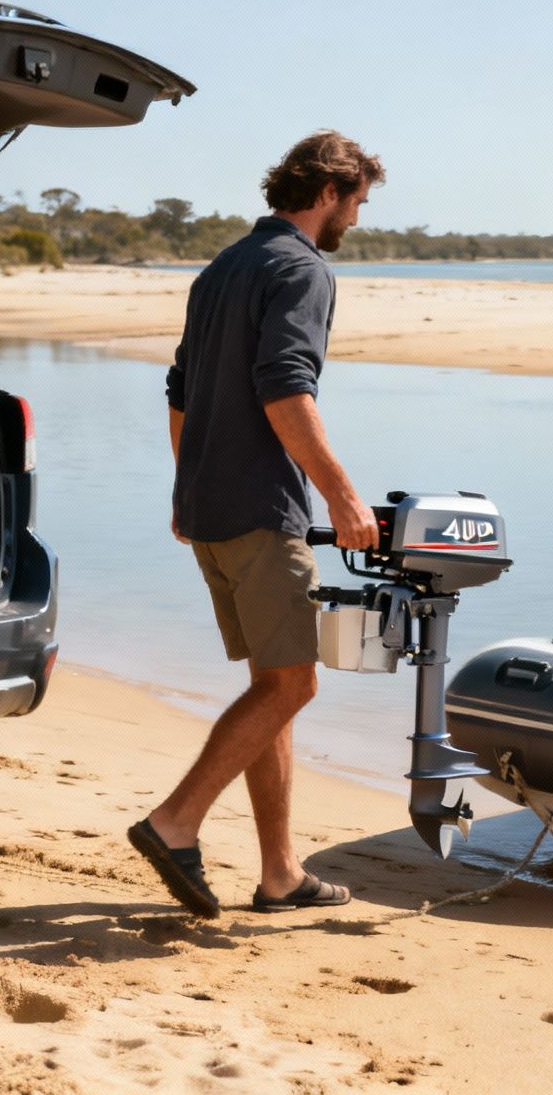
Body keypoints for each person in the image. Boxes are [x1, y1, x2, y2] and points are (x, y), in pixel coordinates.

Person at [128, 131, 383, 919]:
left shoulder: (222, 266)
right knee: (294, 682)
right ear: (330, 191)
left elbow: (179, 392)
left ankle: (279, 873)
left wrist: (185, 487)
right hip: (260, 509)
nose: (357, 219)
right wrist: (339, 494)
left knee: (271, 684)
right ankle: (174, 823)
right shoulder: (302, 267)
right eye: (358, 202)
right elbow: (286, 390)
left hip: (208, 508)